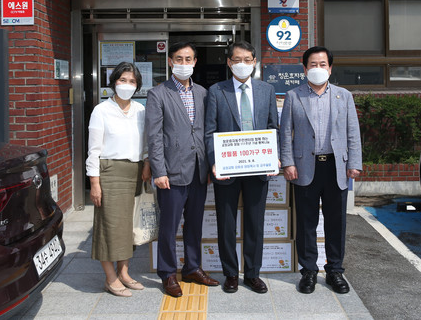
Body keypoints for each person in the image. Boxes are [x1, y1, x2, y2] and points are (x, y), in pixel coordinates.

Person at [279, 46, 362, 295]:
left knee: (336, 222)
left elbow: (352, 132)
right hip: (305, 167)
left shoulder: (343, 96)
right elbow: (285, 133)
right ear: (305, 69)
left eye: (322, 64)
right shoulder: (293, 96)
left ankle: (335, 270)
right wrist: (288, 162)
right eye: (313, 64)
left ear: (330, 68)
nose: (318, 68)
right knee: (306, 222)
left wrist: (354, 163)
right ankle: (308, 271)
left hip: (336, 166)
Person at [145, 42, 219, 298]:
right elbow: (154, 136)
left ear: (195, 62)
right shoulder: (158, 94)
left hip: (199, 170)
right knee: (169, 226)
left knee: (195, 224)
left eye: (188, 59)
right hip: (171, 172)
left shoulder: (203, 93)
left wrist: (210, 164)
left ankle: (192, 267)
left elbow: (207, 131)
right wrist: (159, 171)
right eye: (179, 59)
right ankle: (167, 273)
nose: (184, 63)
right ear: (170, 61)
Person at [205, 41, 279, 294]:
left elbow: (273, 128)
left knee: (255, 223)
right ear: (229, 63)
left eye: (247, 60)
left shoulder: (267, 90)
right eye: (237, 60)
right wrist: (214, 161)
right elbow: (209, 131)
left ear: (254, 62)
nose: (242, 64)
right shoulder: (217, 91)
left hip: (258, 167)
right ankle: (230, 273)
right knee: (226, 223)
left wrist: (274, 156)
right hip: (227, 168)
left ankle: (253, 273)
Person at [86, 61, 152, 298]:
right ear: (114, 82)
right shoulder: (101, 110)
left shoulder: (141, 110)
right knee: (110, 226)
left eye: (132, 81)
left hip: (135, 172)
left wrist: (146, 163)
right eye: (123, 80)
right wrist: (94, 183)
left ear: (138, 86)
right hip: (110, 173)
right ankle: (110, 278)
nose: (127, 85)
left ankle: (124, 273)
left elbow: (146, 142)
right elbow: (93, 150)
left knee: (128, 227)